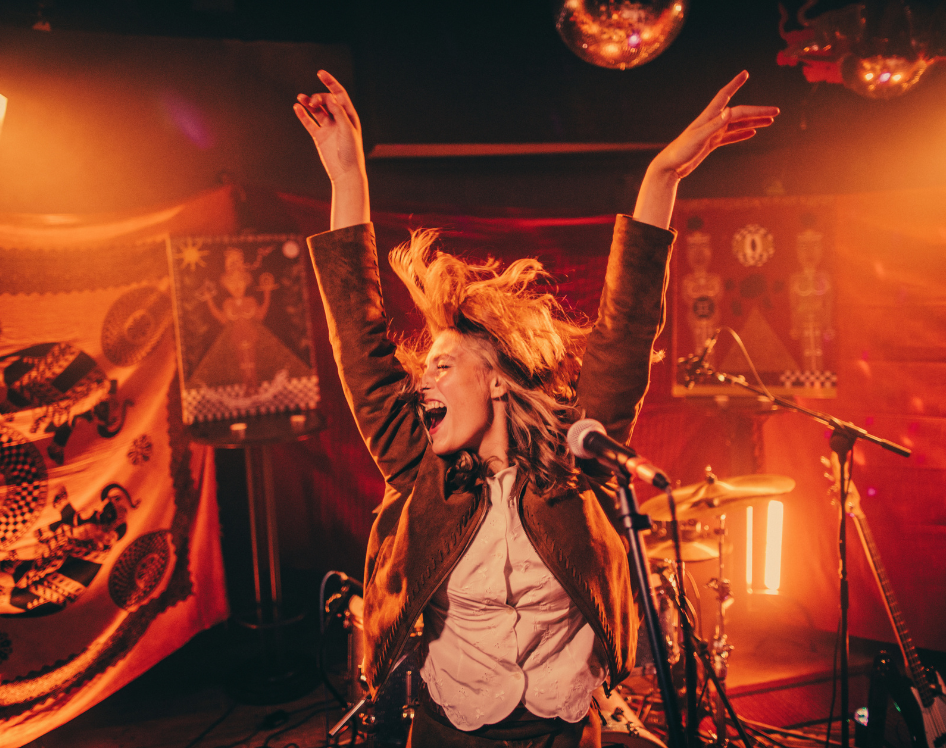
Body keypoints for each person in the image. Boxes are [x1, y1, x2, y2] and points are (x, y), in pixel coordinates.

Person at [295, 69, 777, 747]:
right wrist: (346, 174)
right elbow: (358, 336)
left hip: (564, 728)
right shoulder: (419, 464)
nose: (423, 383)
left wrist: (661, 178)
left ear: (494, 382)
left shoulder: (574, 461)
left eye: (442, 366)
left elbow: (624, 334)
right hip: (447, 728)